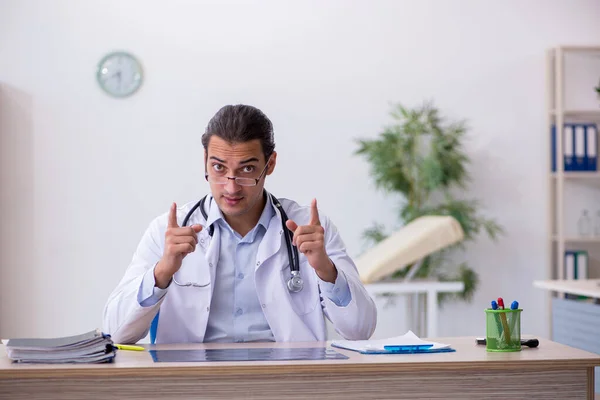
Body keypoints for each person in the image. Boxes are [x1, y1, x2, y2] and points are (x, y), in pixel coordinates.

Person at [103, 104, 377, 344]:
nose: (231, 187)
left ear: (270, 164)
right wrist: (161, 273)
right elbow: (115, 332)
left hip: (288, 381)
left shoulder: (310, 228)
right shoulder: (167, 231)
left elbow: (360, 330)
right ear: (205, 162)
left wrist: (325, 270)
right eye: (219, 168)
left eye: (246, 169)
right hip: (193, 384)